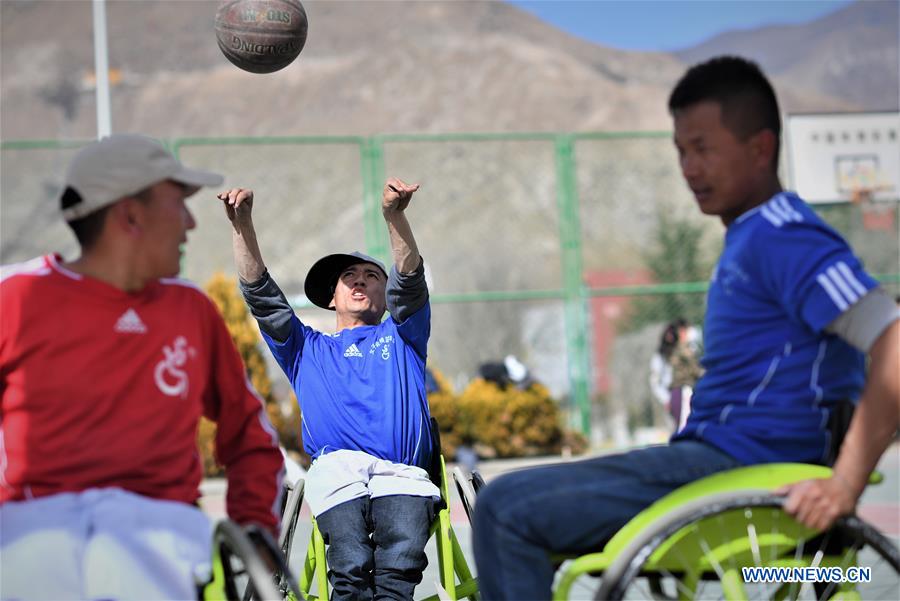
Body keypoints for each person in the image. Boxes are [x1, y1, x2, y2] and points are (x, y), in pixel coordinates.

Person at [472, 56, 900, 599]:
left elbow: (894, 340)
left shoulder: (785, 235)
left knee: (506, 509)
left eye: (703, 148)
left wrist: (845, 482)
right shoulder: (751, 236)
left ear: (760, 148)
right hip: (717, 457)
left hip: (742, 468)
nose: (689, 169)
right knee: (505, 499)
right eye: (680, 151)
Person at [0, 134, 285, 600]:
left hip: (159, 540)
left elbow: (250, 434)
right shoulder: (14, 299)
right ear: (130, 216)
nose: (191, 223)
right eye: (178, 204)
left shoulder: (190, 310)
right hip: (34, 539)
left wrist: (256, 525)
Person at [219, 177, 437, 600]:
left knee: (399, 570)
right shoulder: (306, 349)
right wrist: (241, 226)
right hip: (337, 474)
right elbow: (261, 296)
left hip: (402, 475)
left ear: (385, 293)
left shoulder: (403, 334)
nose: (359, 281)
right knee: (350, 568)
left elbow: (410, 278)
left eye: (371, 276)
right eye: (348, 277)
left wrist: (393, 217)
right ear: (332, 297)